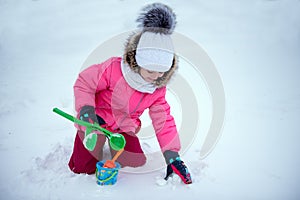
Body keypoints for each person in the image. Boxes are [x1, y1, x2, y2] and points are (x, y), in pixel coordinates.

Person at [68, 3, 192, 184]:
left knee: (135, 163)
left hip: (123, 127)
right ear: (138, 60)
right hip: (95, 122)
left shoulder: (156, 89)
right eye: (150, 71)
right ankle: (92, 142)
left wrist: (172, 155)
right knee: (82, 168)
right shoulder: (113, 69)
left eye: (161, 72)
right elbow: (84, 83)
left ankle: (114, 143)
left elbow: (163, 120)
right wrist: (86, 109)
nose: (155, 77)